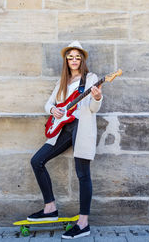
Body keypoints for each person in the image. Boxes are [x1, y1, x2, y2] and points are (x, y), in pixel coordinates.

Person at [29, 41, 102, 239]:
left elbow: (94, 109)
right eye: (70, 56)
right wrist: (53, 110)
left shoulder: (91, 79)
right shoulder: (63, 81)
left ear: (82, 59)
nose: (74, 60)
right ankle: (50, 208)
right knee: (37, 161)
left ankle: (83, 223)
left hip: (81, 127)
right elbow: (48, 104)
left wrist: (97, 97)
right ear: (66, 60)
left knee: (82, 173)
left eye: (77, 57)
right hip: (63, 128)